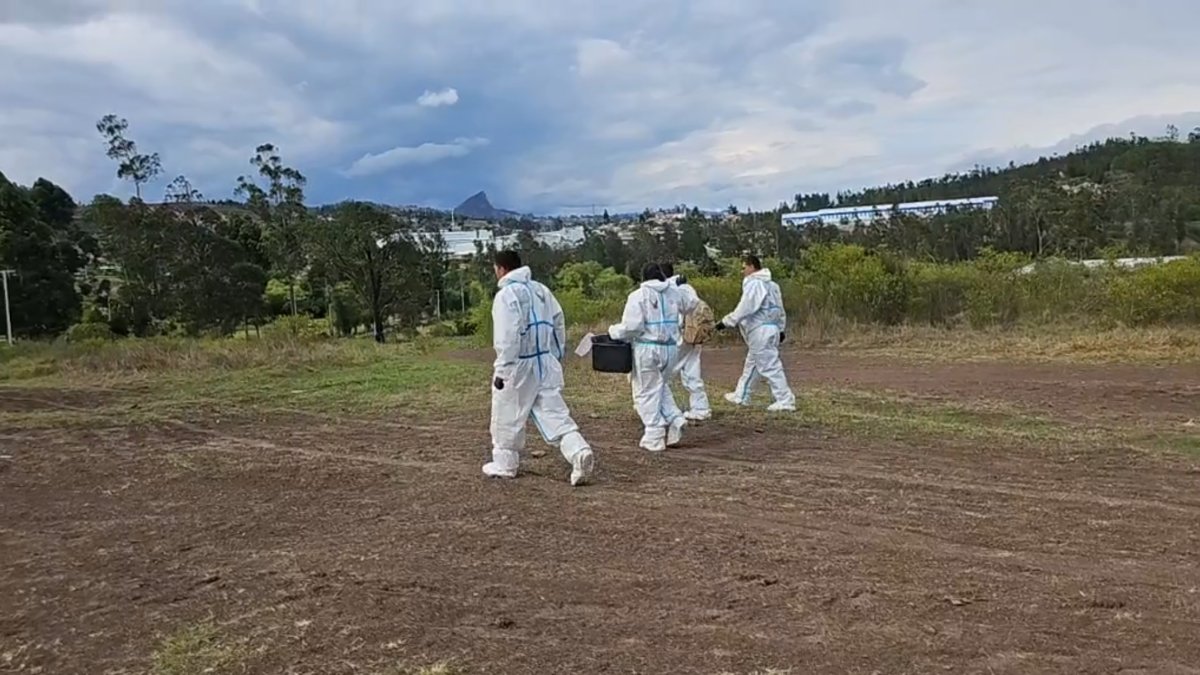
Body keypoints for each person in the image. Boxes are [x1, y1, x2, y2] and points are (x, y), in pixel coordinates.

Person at [486, 250, 595, 486]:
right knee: (553, 412)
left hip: (519, 364)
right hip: (545, 361)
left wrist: (504, 368)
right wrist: (555, 354)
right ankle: (578, 451)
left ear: (501, 269)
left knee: (507, 413)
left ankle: (505, 463)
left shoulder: (506, 296)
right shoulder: (542, 291)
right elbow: (559, 322)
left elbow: (507, 336)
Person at [608, 263, 695, 452]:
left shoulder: (638, 296)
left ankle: (654, 434)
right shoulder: (673, 292)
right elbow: (692, 304)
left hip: (647, 348)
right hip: (671, 348)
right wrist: (678, 285)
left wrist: (613, 331)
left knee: (644, 392)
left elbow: (633, 327)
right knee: (659, 386)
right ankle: (675, 418)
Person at [717, 254, 796, 412]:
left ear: (752, 266)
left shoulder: (754, 283)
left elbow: (746, 306)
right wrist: (781, 328)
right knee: (752, 364)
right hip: (771, 328)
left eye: (744, 267)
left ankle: (785, 399)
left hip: (760, 330)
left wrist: (727, 321)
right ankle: (741, 395)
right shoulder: (772, 286)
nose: (742, 271)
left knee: (770, 366)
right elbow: (780, 309)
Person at [660, 262, 712, 421]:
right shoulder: (686, 287)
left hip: (681, 337)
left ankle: (664, 410)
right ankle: (701, 408)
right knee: (692, 372)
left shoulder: (669, 288)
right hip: (694, 335)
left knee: (660, 375)